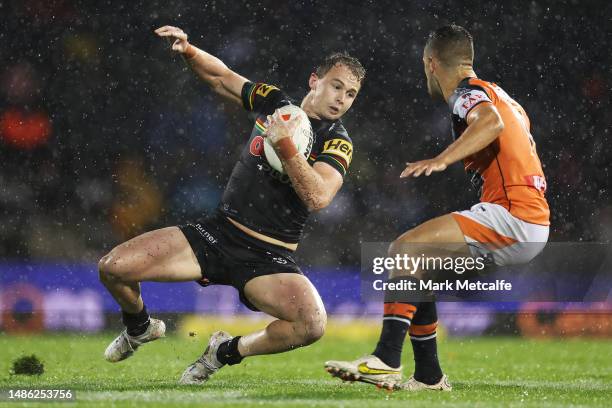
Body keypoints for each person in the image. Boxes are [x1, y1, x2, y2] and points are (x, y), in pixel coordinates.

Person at [98, 25, 365, 384]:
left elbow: (318, 197)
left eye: (350, 94)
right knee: (113, 268)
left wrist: (285, 146)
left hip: (269, 256)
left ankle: (224, 352)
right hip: (216, 233)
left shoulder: (337, 142)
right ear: (314, 80)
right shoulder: (275, 103)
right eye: (336, 86)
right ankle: (140, 327)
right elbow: (222, 78)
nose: (341, 99)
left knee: (311, 325)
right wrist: (190, 51)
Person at [325, 24, 549, 391]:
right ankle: (429, 376)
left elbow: (490, 124)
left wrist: (443, 159)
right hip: (527, 214)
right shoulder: (504, 96)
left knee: (403, 251)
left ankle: (384, 360)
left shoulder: (467, 92)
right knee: (419, 268)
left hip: (514, 215)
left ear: (430, 63)